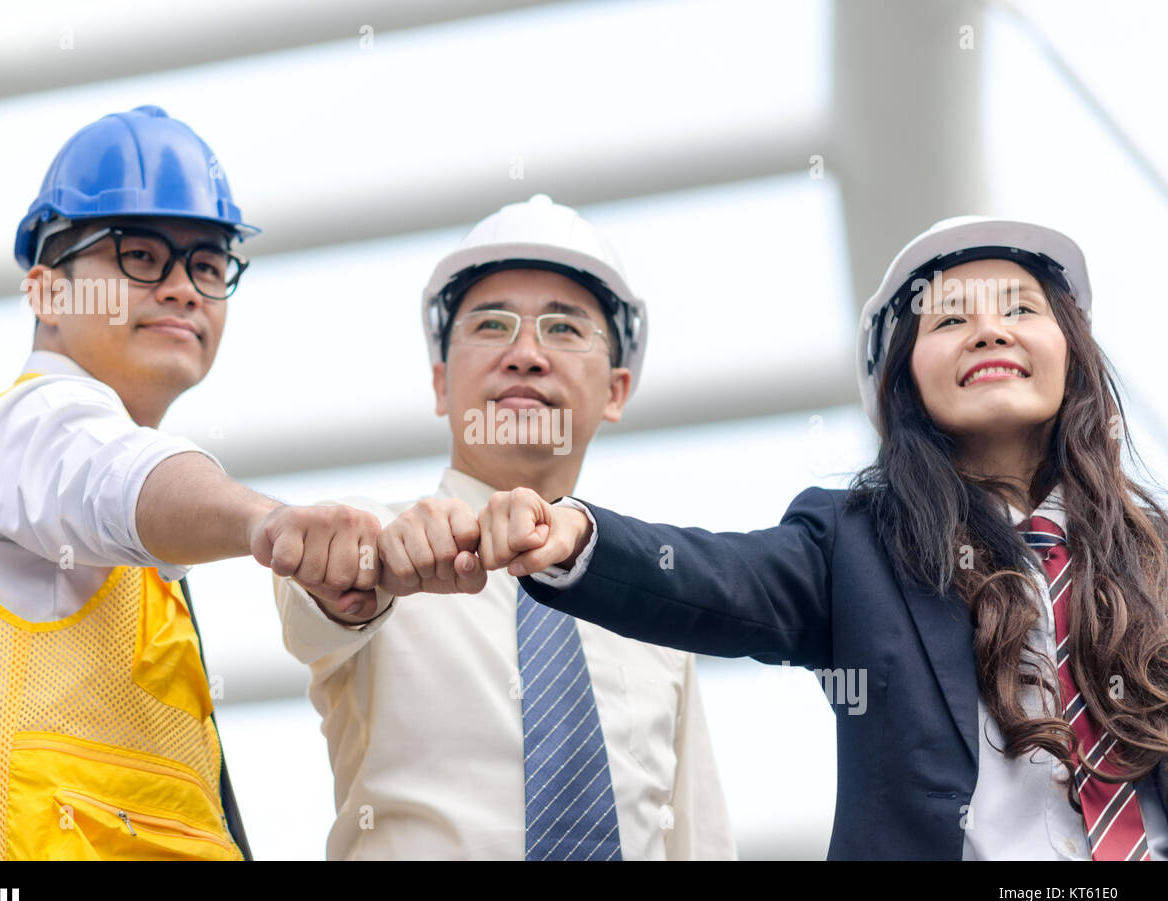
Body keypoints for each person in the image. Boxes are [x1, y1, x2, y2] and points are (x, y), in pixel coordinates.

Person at [488, 216, 1168, 860]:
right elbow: (721, 577)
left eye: (1020, 309)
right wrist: (575, 535)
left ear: (1073, 354)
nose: (989, 331)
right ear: (905, 379)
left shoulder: (1156, 553)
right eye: (951, 317)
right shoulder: (856, 545)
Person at [0, 105, 380, 860]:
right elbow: (116, 479)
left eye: (207, 265)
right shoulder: (25, 427)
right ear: (44, 292)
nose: (183, 288)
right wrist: (263, 522)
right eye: (139, 255)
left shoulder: (138, 541)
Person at [272, 194, 735, 860]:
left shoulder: (650, 606)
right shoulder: (376, 541)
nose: (525, 354)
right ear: (439, 383)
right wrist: (369, 569)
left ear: (616, 390)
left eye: (565, 328)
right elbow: (314, 594)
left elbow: (700, 840)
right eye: (491, 326)